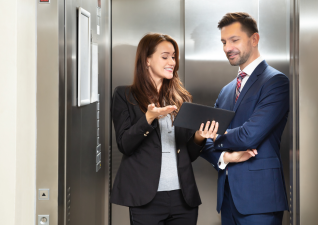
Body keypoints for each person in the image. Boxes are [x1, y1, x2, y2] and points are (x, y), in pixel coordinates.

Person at [111, 33, 218, 225]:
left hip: (183, 198)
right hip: (146, 198)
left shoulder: (182, 98)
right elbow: (124, 145)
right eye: (165, 56)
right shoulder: (124, 95)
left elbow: (189, 154)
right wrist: (148, 118)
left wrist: (199, 137)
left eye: (174, 56)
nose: (172, 62)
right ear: (147, 61)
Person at [201, 12, 290, 224]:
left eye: (234, 40)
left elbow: (250, 135)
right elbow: (204, 143)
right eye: (223, 42)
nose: (227, 48)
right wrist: (224, 158)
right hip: (228, 199)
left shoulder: (275, 82)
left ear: (254, 39)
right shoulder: (226, 91)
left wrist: (216, 136)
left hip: (260, 200)